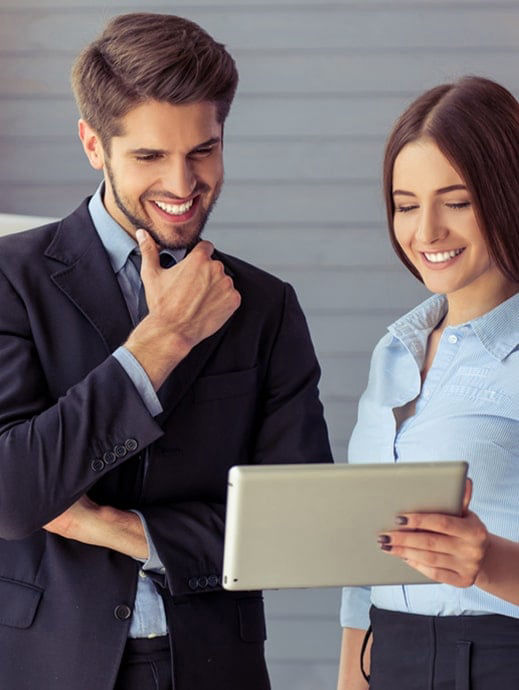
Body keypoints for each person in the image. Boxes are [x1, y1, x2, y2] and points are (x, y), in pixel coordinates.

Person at [0, 13, 332, 690]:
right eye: (150, 157)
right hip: (44, 664)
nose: (182, 185)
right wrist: (161, 343)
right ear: (93, 144)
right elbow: (10, 495)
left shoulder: (266, 306)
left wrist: (119, 529)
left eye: (203, 151)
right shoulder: (11, 280)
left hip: (215, 667)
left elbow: (298, 531)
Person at [337, 76, 519, 690]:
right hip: (390, 657)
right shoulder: (394, 353)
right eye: (407, 205)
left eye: (457, 201)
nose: (426, 232)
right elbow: (365, 569)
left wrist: (490, 561)